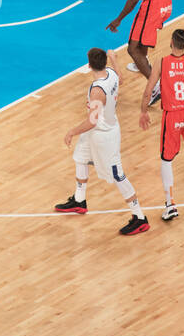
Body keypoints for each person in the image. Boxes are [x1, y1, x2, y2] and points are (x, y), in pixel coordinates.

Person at [54, 48, 154, 235]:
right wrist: (114, 58)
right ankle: (79, 200)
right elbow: (121, 79)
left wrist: (71, 131)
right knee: (80, 157)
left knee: (118, 175)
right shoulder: (111, 74)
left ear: (90, 65)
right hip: (98, 130)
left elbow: (91, 121)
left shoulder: (97, 90)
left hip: (104, 135)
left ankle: (139, 217)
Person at [139, 28, 184, 220]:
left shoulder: (162, 62)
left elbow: (149, 90)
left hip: (172, 116)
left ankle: (170, 204)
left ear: (172, 41)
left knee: (166, 159)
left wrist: (143, 111)